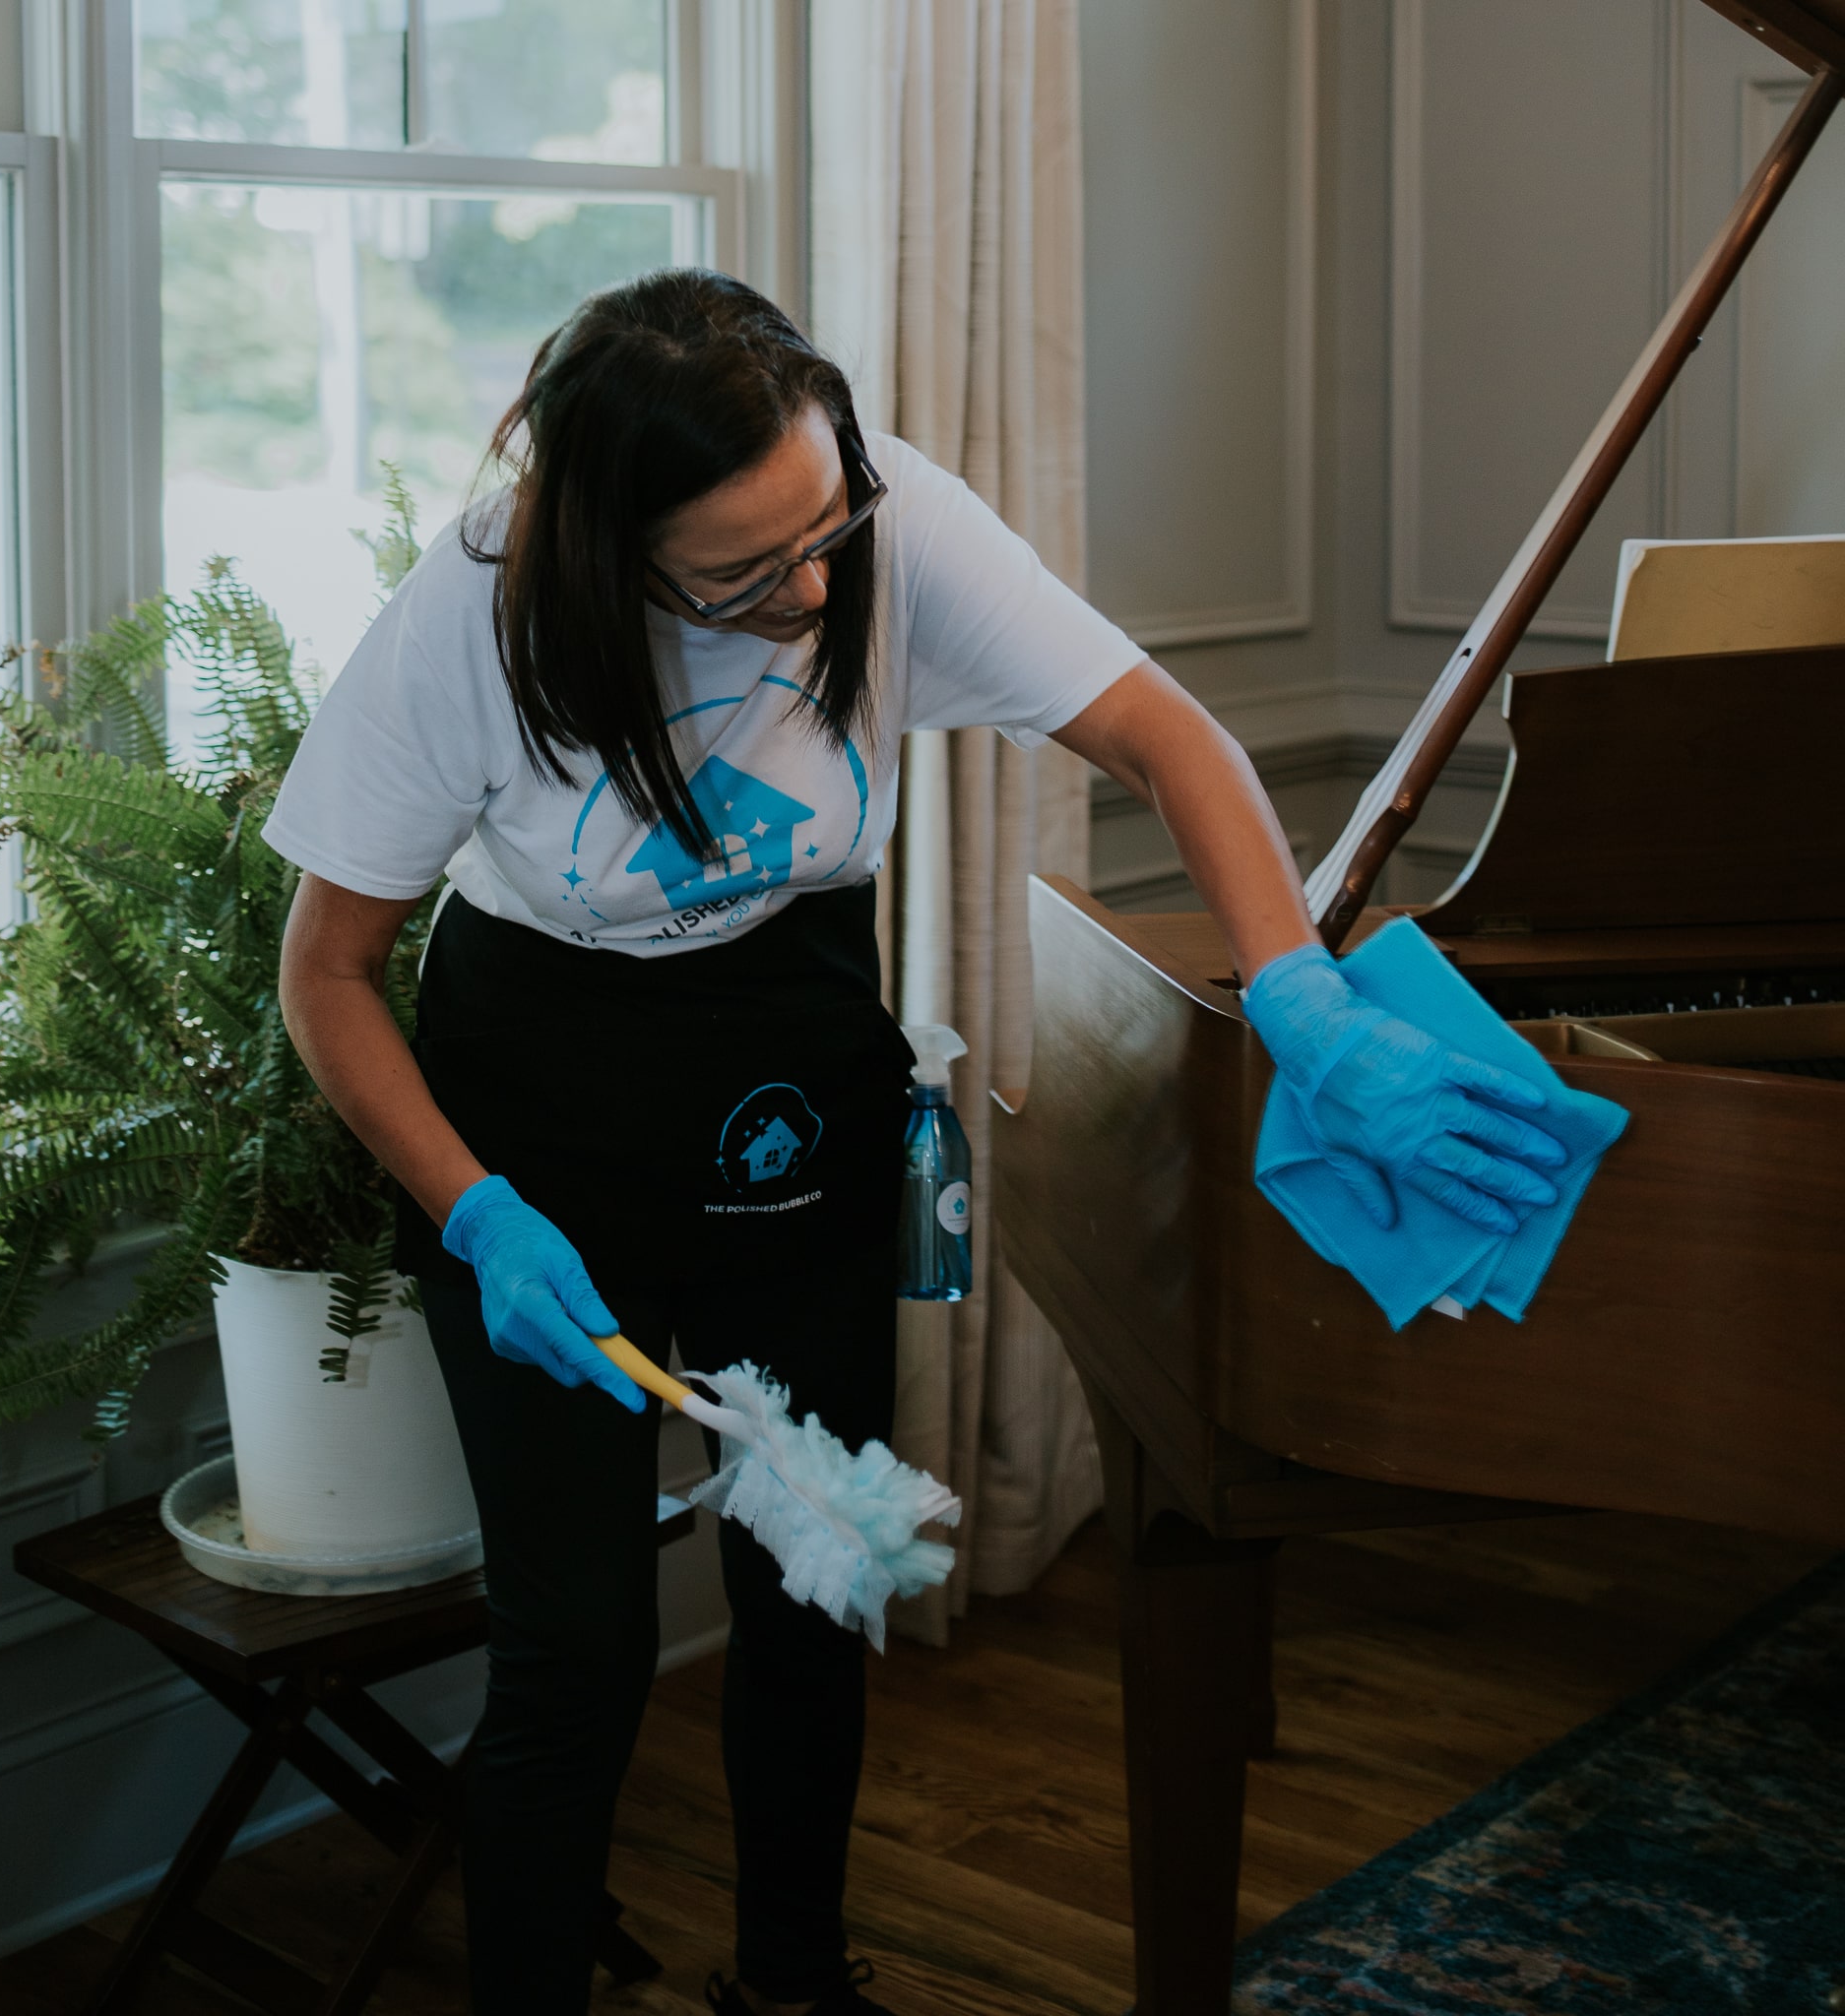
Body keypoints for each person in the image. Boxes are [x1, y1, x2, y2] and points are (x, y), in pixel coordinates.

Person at [269, 269, 1564, 2015]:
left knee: (816, 1595)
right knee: (574, 1655)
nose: (812, 590)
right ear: (609, 549)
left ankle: (794, 1987)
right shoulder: (477, 623)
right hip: (534, 1125)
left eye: (828, 530)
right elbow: (329, 972)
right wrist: (479, 1214)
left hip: (793, 1086)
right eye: (741, 574)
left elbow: (1162, 735)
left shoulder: (876, 526)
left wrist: (1300, 996)